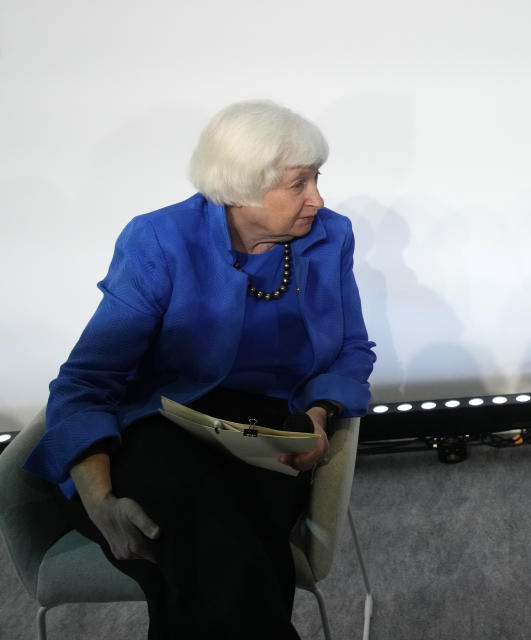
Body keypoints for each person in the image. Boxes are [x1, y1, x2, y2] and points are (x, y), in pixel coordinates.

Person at [23, 100, 376, 639]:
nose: (318, 199)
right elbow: (89, 380)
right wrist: (99, 502)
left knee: (215, 556)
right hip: (164, 420)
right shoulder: (159, 240)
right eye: (299, 184)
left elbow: (352, 348)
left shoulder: (330, 238)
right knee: (221, 547)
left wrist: (319, 413)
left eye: (316, 179)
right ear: (241, 188)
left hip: (267, 430)